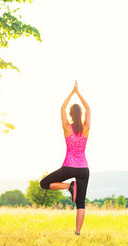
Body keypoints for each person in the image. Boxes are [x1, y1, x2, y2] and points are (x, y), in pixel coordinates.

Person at [40, 80, 90, 235]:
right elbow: (88, 108)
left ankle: (69, 187)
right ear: (81, 114)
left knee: (44, 183)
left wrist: (72, 93)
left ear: (70, 115)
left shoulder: (67, 128)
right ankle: (77, 233)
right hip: (83, 169)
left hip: (69, 166)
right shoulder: (86, 128)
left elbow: (62, 108)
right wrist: (79, 93)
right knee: (80, 203)